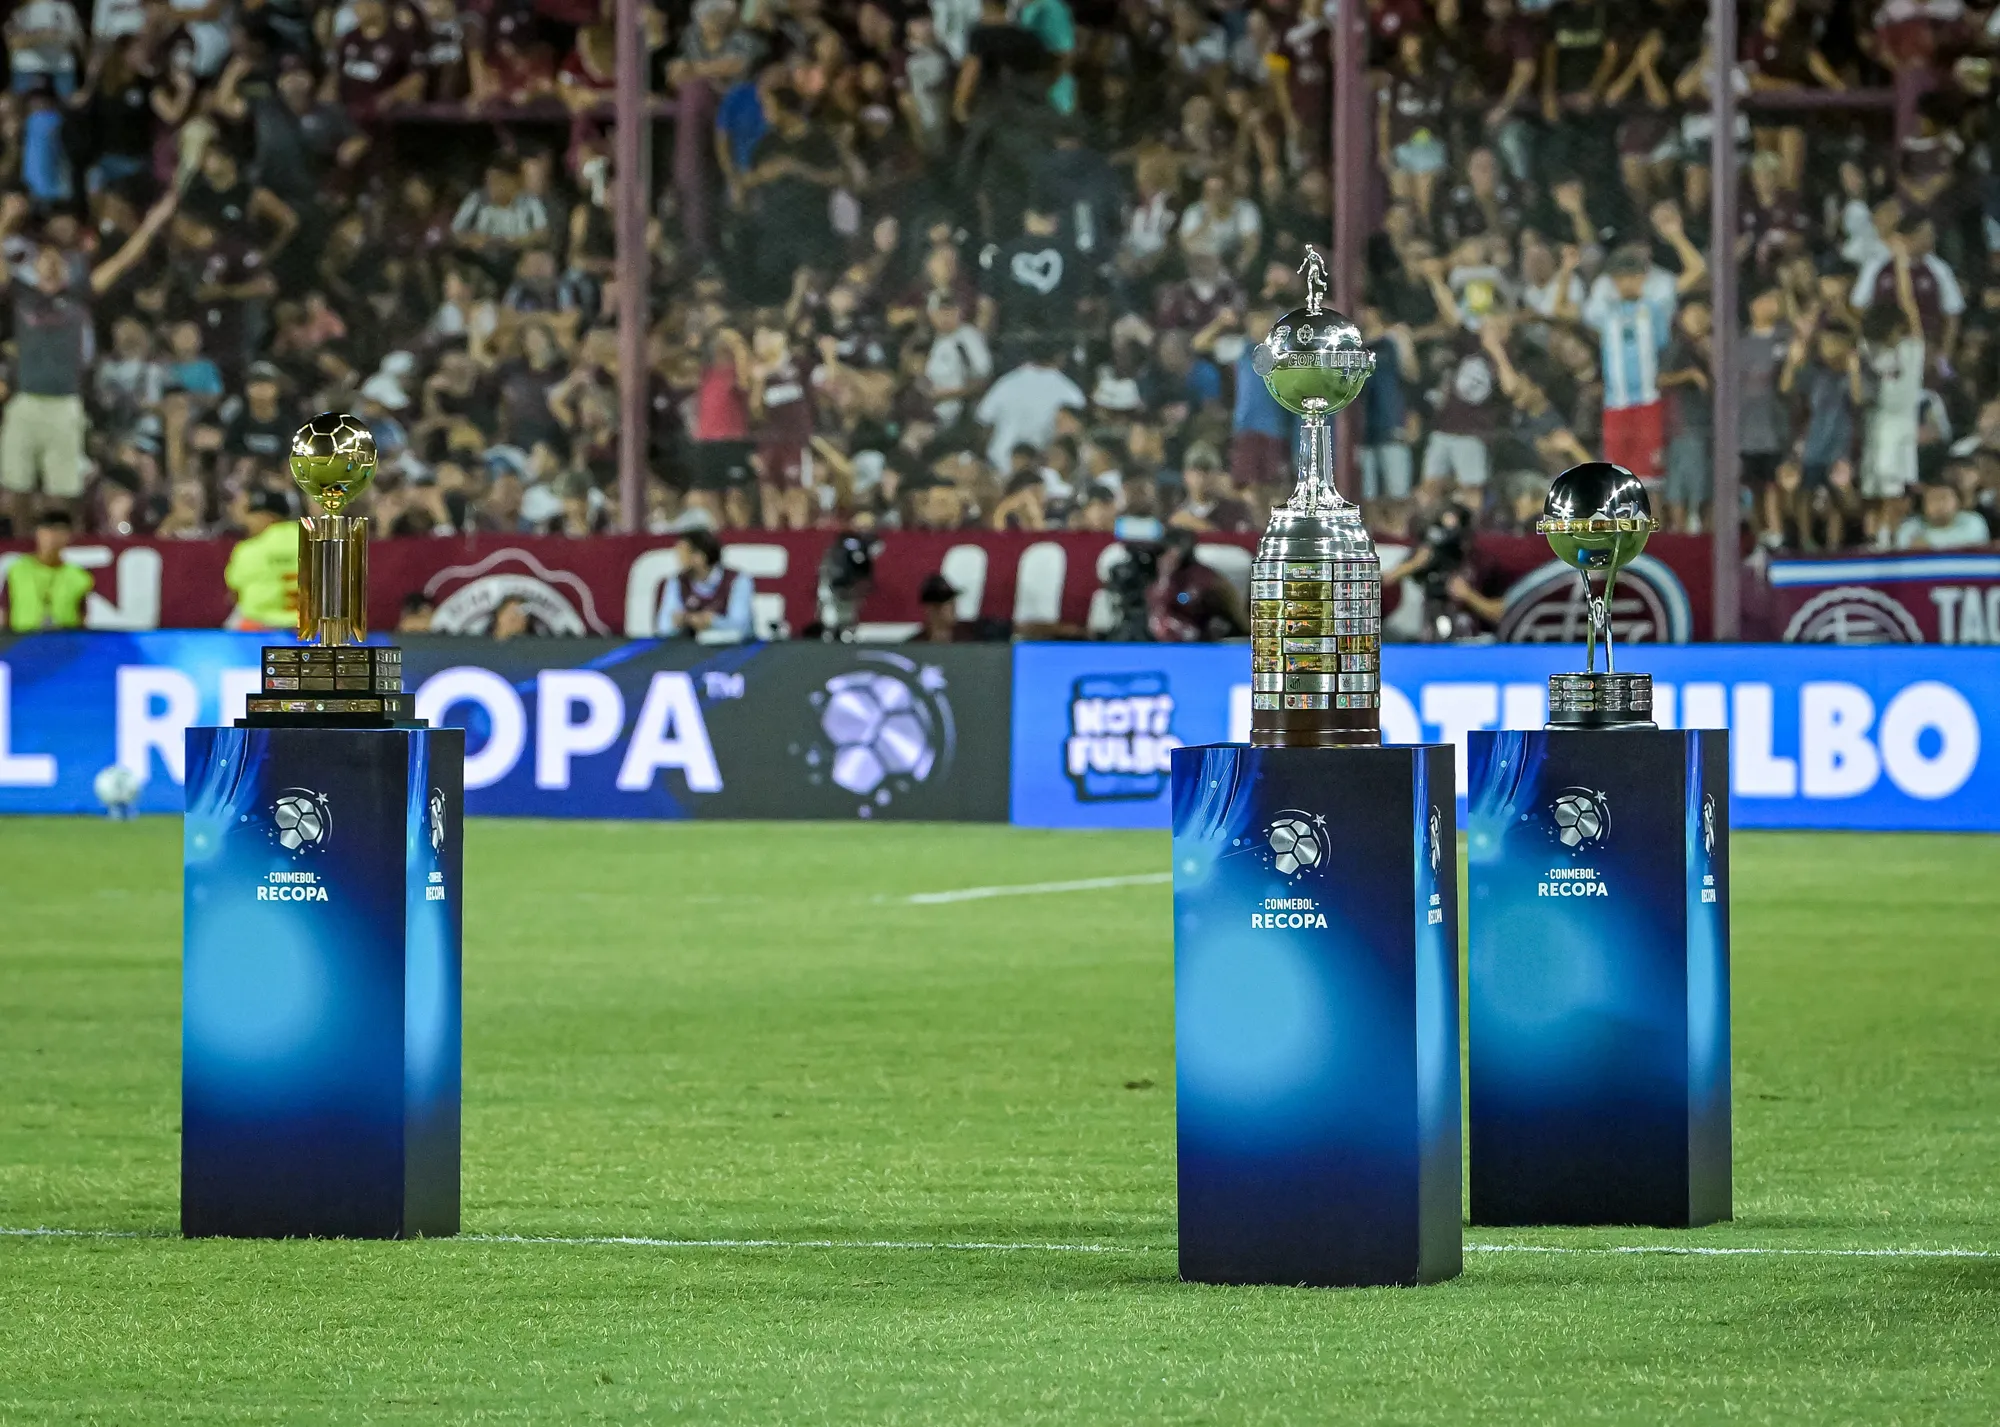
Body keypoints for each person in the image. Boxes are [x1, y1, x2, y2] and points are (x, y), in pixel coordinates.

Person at [2, 191, 178, 530]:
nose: (51, 265)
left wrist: (153, 223)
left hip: (65, 404)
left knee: (64, 493)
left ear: (67, 270)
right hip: (25, 401)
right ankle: (25, 551)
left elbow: (126, 258)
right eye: (44, 261)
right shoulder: (22, 297)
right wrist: (6, 222)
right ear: (34, 268)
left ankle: (66, 550)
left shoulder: (78, 295)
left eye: (57, 262)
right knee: (16, 489)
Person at [1146, 526, 1246, 641]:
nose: (1168, 557)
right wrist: (1164, 578)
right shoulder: (1154, 577)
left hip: (1204, 641)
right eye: (1164, 552)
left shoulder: (1204, 578)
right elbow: (1157, 611)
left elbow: (1234, 615)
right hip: (1165, 642)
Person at [223, 489, 299, 632]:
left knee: (231, 626)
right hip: (311, 628)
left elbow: (234, 595)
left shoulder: (250, 549)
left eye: (252, 515)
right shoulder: (313, 541)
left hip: (260, 627)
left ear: (267, 516)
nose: (247, 521)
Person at [657, 528, 754, 639]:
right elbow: (664, 626)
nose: (678, 558)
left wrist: (712, 622)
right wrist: (683, 621)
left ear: (699, 557)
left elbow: (742, 626)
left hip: (735, 652)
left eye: (683, 553)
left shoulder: (737, 580)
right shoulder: (677, 581)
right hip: (688, 652)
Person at [5, 509, 94, 632]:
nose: (52, 537)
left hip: (64, 642)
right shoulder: (17, 570)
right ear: (37, 533)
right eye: (48, 530)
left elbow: (82, 617)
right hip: (22, 643)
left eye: (60, 531)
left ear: (68, 536)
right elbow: (4, 611)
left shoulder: (79, 576)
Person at [1895, 480, 1992, 551]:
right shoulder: (1909, 527)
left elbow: (1970, 546)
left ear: (1958, 502)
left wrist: (1929, 545)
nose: (1938, 504)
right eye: (1932, 499)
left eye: (1943, 498)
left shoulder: (1973, 521)